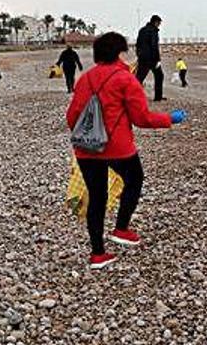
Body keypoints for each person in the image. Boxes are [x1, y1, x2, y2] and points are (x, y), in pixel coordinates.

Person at [66, 31, 188, 270]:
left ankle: (97, 254)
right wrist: (170, 119)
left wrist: (89, 137)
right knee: (135, 180)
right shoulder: (125, 79)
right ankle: (121, 229)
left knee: (97, 198)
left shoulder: (85, 79)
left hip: (86, 149)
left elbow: (72, 116)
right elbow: (141, 118)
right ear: (120, 52)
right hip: (117, 148)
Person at [135, 14, 165, 101]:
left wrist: (139, 55)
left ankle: (132, 95)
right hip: (151, 59)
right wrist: (158, 60)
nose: (159, 25)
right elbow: (154, 46)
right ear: (155, 22)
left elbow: (138, 44)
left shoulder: (142, 30)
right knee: (159, 76)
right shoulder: (153, 31)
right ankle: (158, 97)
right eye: (159, 23)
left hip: (142, 58)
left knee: (139, 78)